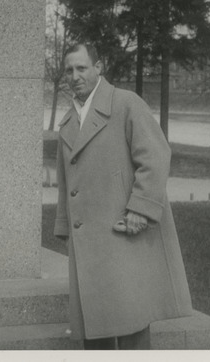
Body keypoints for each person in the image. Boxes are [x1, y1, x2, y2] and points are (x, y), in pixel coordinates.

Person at [54, 43, 192, 350]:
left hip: (123, 231)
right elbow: (67, 184)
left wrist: (140, 210)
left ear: (99, 67)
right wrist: (64, 226)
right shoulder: (67, 121)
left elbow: (155, 157)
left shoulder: (126, 103)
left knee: (131, 322)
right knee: (95, 329)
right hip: (88, 239)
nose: (75, 76)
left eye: (82, 68)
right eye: (69, 70)